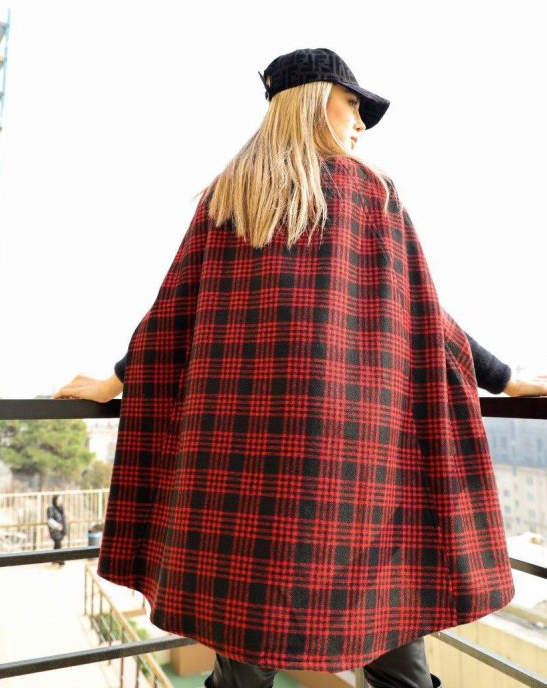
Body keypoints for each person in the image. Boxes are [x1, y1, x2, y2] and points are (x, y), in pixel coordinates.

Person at [52, 48, 547, 688]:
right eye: (352, 104)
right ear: (313, 101)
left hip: (239, 471)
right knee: (391, 638)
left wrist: (112, 382)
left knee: (244, 645)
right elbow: (427, 316)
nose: (360, 123)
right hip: (356, 471)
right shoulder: (372, 195)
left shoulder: (227, 199)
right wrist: (505, 379)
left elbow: (170, 319)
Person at [46, 494, 67, 567]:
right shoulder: (50, 508)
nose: (60, 500)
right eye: (59, 499)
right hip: (55, 530)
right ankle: (61, 561)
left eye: (61, 499)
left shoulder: (60, 507)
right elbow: (50, 520)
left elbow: (63, 518)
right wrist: (57, 525)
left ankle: (54, 559)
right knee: (58, 544)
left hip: (61, 530)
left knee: (57, 545)